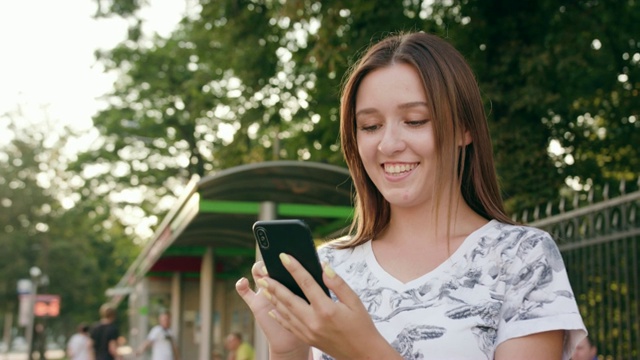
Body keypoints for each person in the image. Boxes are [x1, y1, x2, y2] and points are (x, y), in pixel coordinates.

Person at [235, 31, 588, 359]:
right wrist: (289, 350)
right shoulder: (329, 270)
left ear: (465, 128)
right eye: (370, 126)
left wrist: (365, 350)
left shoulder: (521, 259)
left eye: (415, 120)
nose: (388, 144)